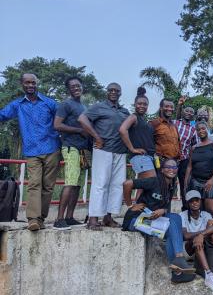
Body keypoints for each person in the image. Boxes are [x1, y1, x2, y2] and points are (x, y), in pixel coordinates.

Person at [0, 73, 61, 231]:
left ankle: (41, 218)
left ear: (37, 83)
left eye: (33, 82)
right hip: (32, 150)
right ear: (22, 84)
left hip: (52, 148)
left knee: (48, 186)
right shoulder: (17, 105)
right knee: (34, 183)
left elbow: (62, 119)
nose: (30, 85)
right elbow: (2, 115)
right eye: (27, 82)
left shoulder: (49, 103)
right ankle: (33, 219)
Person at [122, 158, 195, 284]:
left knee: (175, 218)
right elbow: (127, 183)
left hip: (150, 219)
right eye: (168, 166)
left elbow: (164, 207)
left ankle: (178, 266)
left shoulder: (171, 185)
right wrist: (130, 205)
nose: (172, 169)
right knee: (172, 227)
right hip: (135, 220)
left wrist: (163, 211)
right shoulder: (154, 181)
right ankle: (178, 265)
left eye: (174, 167)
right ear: (162, 170)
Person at [78, 82, 130, 230]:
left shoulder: (124, 111)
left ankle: (108, 217)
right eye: (111, 90)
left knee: (117, 185)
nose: (113, 92)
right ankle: (93, 219)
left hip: (120, 151)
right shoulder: (99, 107)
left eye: (116, 90)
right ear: (107, 92)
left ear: (120, 93)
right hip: (103, 150)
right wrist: (97, 137)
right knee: (100, 184)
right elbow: (82, 119)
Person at [53, 76, 90, 230]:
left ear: (82, 87)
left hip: (83, 150)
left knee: (78, 185)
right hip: (71, 147)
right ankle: (59, 219)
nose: (76, 88)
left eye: (78, 85)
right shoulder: (66, 104)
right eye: (73, 86)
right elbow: (57, 125)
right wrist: (79, 130)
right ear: (68, 89)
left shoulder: (84, 106)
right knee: (70, 181)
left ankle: (69, 217)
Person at [119, 87, 157, 201]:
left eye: (145, 104)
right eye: (139, 103)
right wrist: (132, 149)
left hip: (148, 157)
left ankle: (137, 211)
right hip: (140, 157)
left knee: (143, 187)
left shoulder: (143, 120)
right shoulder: (133, 117)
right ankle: (130, 203)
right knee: (152, 182)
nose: (142, 106)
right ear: (135, 104)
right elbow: (122, 130)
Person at [184, 121, 213, 222]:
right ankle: (203, 234)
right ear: (196, 132)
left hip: (210, 181)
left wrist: (212, 179)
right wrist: (186, 181)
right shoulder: (194, 148)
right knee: (198, 209)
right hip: (195, 181)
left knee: (212, 210)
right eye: (198, 129)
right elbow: (189, 166)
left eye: (203, 128)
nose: (201, 131)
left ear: (207, 129)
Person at [172, 96, 197, 211]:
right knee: (168, 184)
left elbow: (194, 146)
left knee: (184, 185)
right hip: (171, 159)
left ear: (193, 116)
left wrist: (191, 163)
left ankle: (185, 209)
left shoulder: (193, 130)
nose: (189, 113)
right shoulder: (174, 123)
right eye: (187, 111)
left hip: (184, 160)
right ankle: (165, 208)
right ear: (182, 113)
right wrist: (180, 104)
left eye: (191, 112)